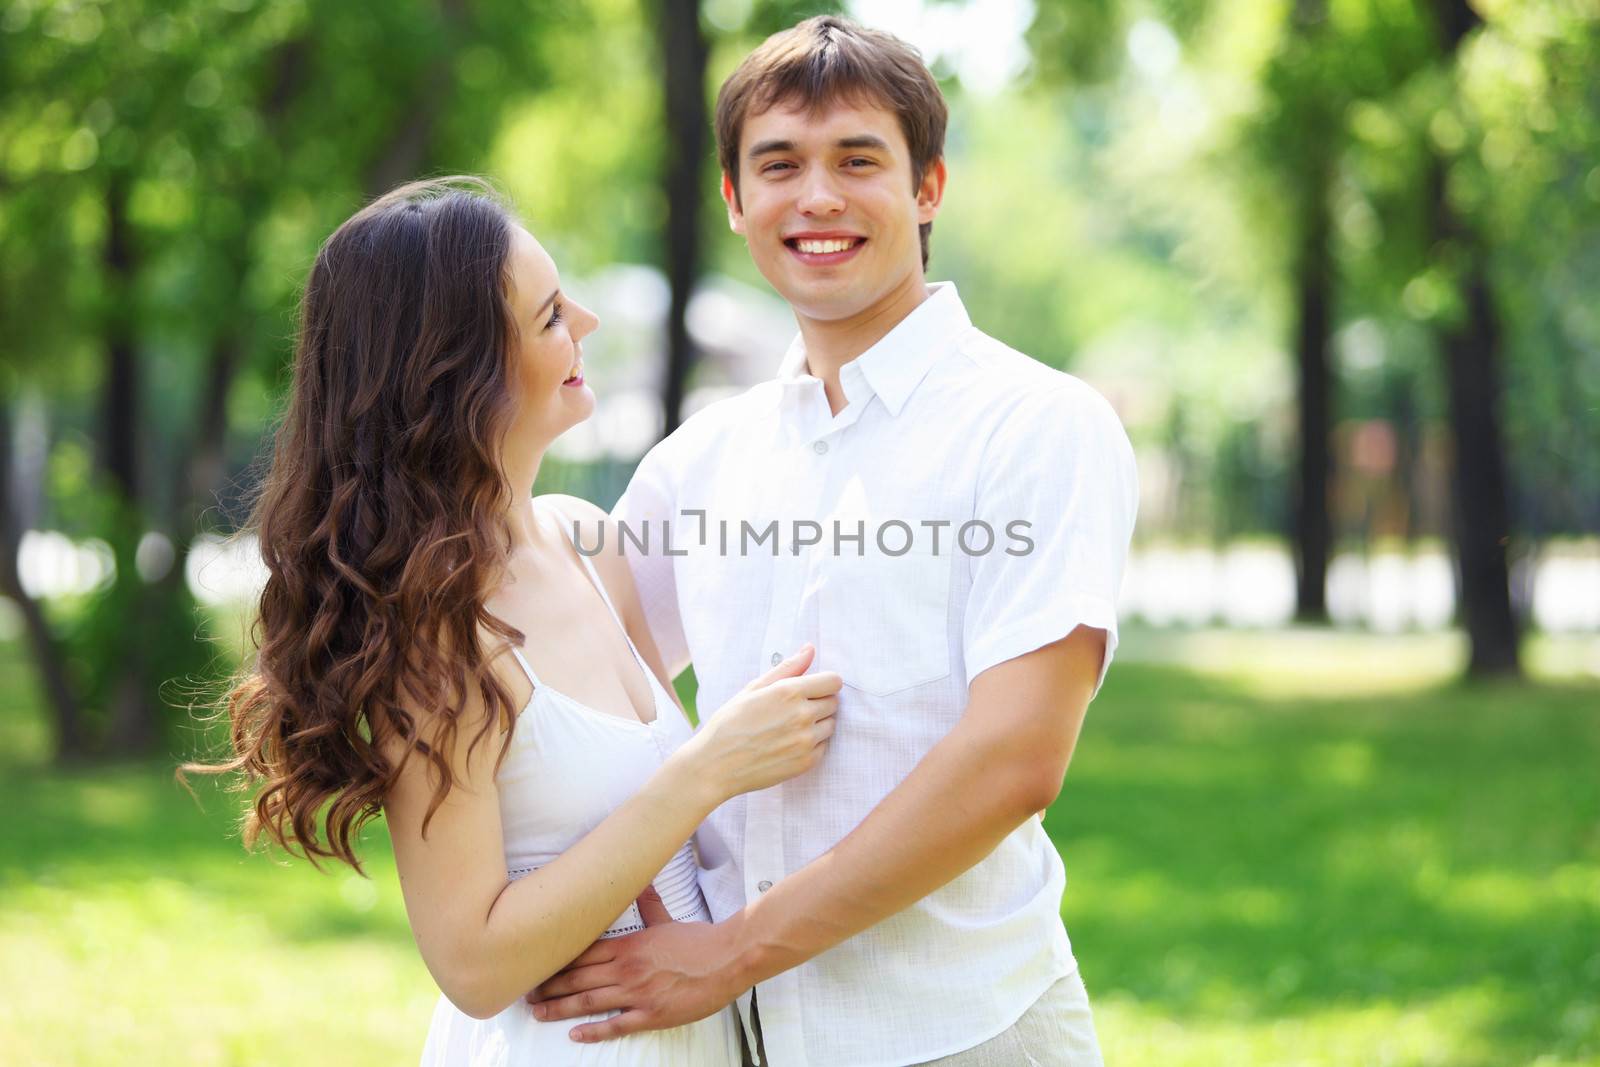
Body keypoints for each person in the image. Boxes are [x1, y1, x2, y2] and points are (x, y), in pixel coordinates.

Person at [526, 16, 1139, 1067]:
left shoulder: (1038, 424)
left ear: (928, 187)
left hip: (965, 1026)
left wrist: (732, 952)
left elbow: (1013, 760)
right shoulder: (694, 463)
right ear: (733, 201)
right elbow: (587, 702)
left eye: (858, 159)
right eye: (778, 165)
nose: (816, 197)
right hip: (738, 1042)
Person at [189, 177, 843, 1065]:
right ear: (456, 373)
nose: (587, 322)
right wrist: (705, 770)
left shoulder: (587, 540)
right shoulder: (434, 630)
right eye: (547, 317)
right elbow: (473, 959)